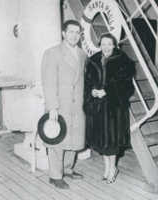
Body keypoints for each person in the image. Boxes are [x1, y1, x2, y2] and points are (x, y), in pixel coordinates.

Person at [84, 33, 135, 184]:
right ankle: (107, 168)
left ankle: (112, 168)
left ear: (114, 45)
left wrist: (107, 91)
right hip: (98, 107)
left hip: (114, 108)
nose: (106, 46)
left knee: (112, 141)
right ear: (100, 45)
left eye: (109, 43)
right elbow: (87, 82)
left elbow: (127, 86)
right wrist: (92, 91)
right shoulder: (93, 60)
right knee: (102, 141)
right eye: (103, 43)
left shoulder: (123, 61)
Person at [41, 20, 86, 189]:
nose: (74, 35)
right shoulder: (52, 53)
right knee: (57, 141)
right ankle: (55, 175)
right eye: (71, 32)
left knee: (74, 139)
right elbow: (48, 82)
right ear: (63, 33)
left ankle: (67, 169)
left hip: (77, 105)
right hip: (60, 106)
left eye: (77, 32)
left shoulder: (82, 54)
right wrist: (52, 107)